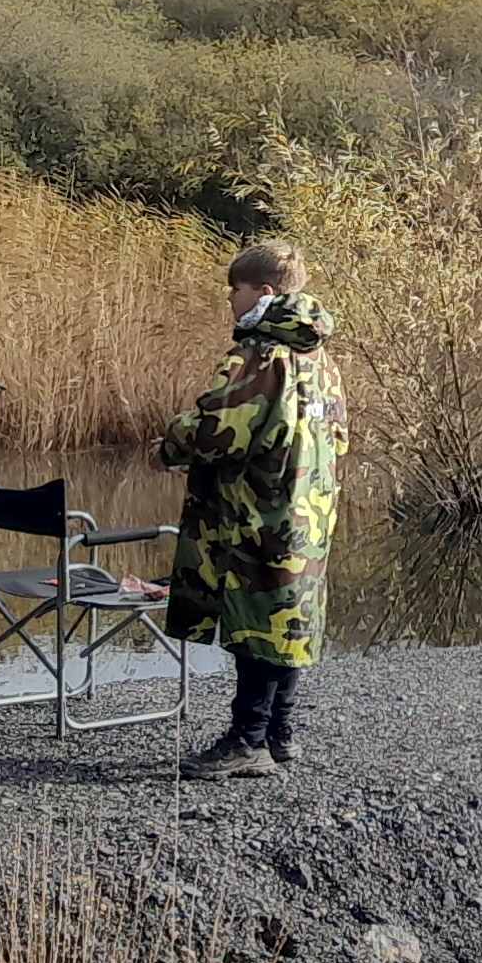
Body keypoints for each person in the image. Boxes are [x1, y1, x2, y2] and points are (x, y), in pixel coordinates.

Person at [158, 237, 348, 779]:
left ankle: (248, 741)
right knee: (288, 623)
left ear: (263, 293)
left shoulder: (264, 356)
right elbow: (339, 439)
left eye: (233, 291)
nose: (230, 301)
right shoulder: (321, 359)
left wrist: (170, 444)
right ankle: (278, 735)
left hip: (259, 515)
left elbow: (221, 431)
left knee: (258, 627)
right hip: (309, 507)